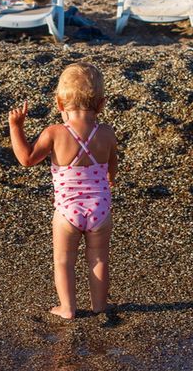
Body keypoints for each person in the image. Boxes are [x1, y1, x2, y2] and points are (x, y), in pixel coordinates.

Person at [9, 63, 119, 320]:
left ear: (59, 104)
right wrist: (111, 179)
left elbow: (26, 159)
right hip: (100, 209)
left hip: (67, 211)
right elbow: (112, 163)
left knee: (64, 260)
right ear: (101, 104)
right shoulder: (106, 132)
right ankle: (100, 306)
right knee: (99, 258)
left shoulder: (55, 133)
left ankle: (67, 308)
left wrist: (16, 127)